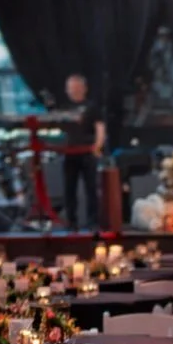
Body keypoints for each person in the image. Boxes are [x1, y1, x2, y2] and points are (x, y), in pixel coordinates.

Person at [62, 74, 105, 231]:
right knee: (69, 188)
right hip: (69, 152)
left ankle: (93, 221)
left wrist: (98, 146)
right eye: (70, 88)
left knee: (91, 188)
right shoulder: (65, 107)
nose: (73, 91)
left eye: (76, 87)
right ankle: (71, 221)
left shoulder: (92, 107)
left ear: (83, 88)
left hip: (87, 151)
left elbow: (100, 127)